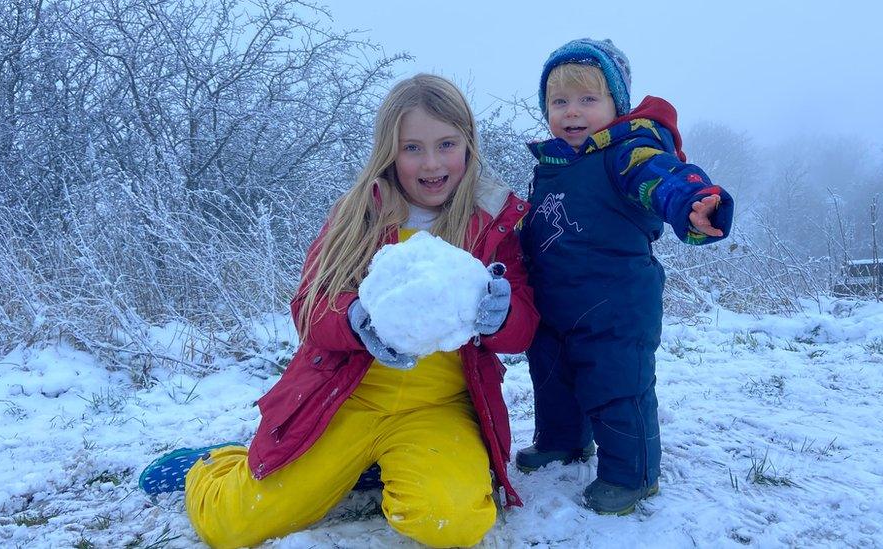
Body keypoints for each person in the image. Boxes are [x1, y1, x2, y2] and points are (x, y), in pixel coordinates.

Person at [138, 74, 538, 549]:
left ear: (468, 145)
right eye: (412, 148)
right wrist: (354, 319)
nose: (431, 163)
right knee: (232, 527)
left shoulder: (492, 223)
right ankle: (215, 466)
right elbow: (310, 304)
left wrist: (503, 312)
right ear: (389, 151)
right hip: (346, 399)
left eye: (446, 144)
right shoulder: (360, 215)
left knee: (453, 524)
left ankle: (384, 465)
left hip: (439, 410)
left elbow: (522, 330)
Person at [516, 38, 734, 515]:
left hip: (617, 305)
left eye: (587, 100)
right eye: (559, 101)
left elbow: (664, 178)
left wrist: (691, 205)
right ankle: (563, 440)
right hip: (555, 304)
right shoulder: (550, 166)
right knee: (552, 376)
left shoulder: (626, 152)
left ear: (617, 105)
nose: (572, 112)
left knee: (617, 386)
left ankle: (632, 474)